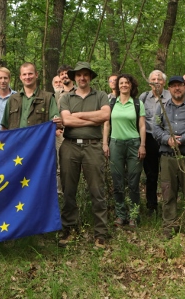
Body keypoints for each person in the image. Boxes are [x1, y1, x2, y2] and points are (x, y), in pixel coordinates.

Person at [57, 62, 110, 249]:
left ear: (90, 77)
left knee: (97, 190)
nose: (82, 78)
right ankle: (70, 229)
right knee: (68, 190)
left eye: (86, 74)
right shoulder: (66, 97)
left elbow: (105, 116)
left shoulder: (101, 95)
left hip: (93, 147)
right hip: (70, 146)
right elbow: (66, 120)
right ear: (74, 77)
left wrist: (77, 115)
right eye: (79, 75)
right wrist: (91, 117)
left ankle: (101, 234)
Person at [152, 75, 185, 239]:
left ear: (184, 87)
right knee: (168, 192)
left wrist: (182, 139)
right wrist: (167, 139)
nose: (177, 88)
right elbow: (155, 128)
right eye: (173, 86)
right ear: (169, 89)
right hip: (167, 156)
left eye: (180, 85)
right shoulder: (161, 107)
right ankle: (169, 227)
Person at [103, 74, 146, 228]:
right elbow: (106, 124)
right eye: (121, 83)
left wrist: (142, 145)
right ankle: (121, 215)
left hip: (134, 144)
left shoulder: (137, 103)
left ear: (131, 85)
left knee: (134, 182)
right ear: (117, 86)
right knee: (117, 182)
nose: (123, 85)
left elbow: (142, 126)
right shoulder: (111, 103)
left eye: (126, 83)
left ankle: (134, 215)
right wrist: (105, 143)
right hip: (115, 144)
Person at [139, 70, 171, 217]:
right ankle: (151, 206)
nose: (156, 81)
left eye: (159, 79)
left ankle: (168, 206)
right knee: (151, 175)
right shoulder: (144, 97)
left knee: (167, 174)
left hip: (167, 139)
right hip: (149, 139)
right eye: (153, 79)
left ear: (164, 82)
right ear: (149, 82)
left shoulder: (171, 97)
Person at [1, 62, 61, 130]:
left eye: (30, 74)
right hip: (17, 140)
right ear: (20, 77)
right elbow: (4, 127)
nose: (27, 77)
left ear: (36, 75)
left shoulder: (48, 98)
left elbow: (55, 124)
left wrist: (57, 122)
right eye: (24, 74)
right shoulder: (12, 99)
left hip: (39, 140)